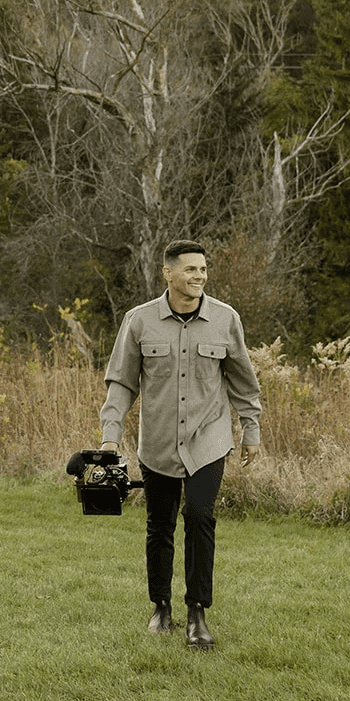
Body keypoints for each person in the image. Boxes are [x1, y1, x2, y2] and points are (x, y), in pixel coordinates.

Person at [99, 239, 262, 650]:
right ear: (168, 273)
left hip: (209, 439)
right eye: (190, 269)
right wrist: (110, 437)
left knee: (201, 516)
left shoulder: (225, 319)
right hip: (157, 442)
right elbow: (121, 383)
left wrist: (251, 429)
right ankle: (161, 606)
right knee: (160, 525)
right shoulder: (139, 321)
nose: (199, 276)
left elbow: (243, 381)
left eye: (203, 269)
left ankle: (197, 613)